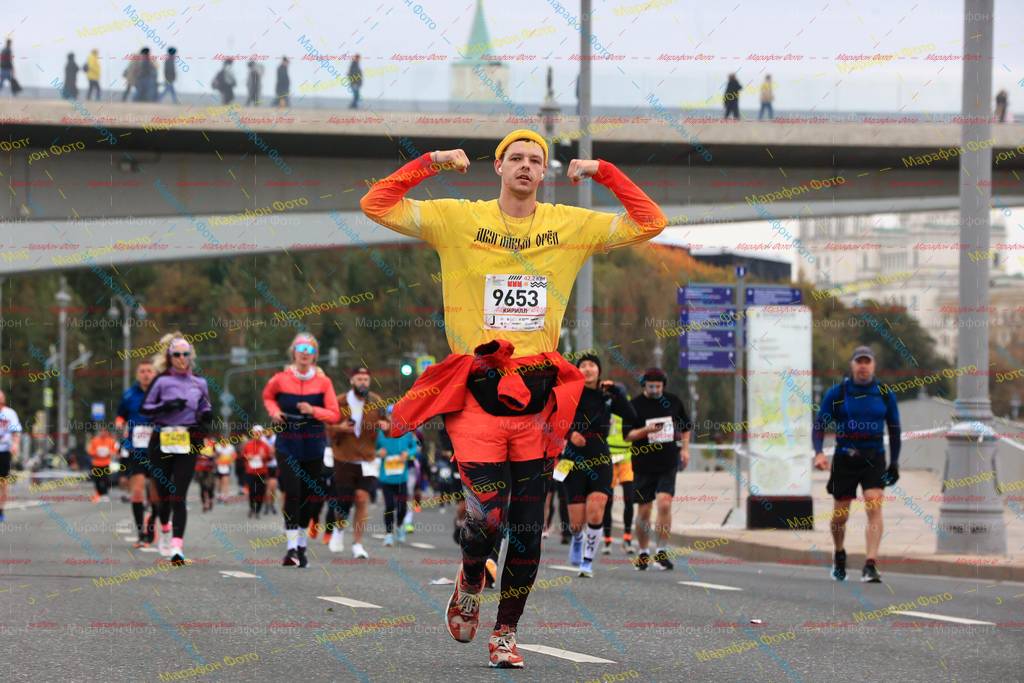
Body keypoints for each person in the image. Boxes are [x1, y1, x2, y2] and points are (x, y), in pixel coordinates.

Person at [360, 128, 666, 668]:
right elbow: (375, 204)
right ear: (498, 167)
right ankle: (470, 576)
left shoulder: (569, 225)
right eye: (516, 158)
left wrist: (604, 173)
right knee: (486, 520)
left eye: (535, 160)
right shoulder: (458, 218)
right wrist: (432, 161)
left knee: (526, 530)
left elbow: (650, 222)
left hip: (537, 401)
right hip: (478, 394)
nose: (526, 165)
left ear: (545, 172)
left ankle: (505, 633)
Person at [813, 346, 901, 583]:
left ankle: (870, 564)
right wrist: (819, 452)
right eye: (859, 361)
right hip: (845, 457)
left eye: (867, 361)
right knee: (840, 516)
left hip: (874, 456)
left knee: (874, 503)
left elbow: (895, 429)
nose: (863, 366)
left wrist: (894, 463)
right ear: (852, 365)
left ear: (873, 365)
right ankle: (839, 553)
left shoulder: (884, 393)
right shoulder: (838, 393)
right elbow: (820, 425)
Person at [262, 333, 341, 568]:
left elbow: (334, 414)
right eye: (301, 348)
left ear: (315, 355)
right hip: (288, 440)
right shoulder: (280, 379)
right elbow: (268, 397)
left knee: (309, 496)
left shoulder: (324, 383)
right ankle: (291, 548)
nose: (305, 353)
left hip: (313, 442)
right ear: (294, 353)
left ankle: (302, 544)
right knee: (293, 491)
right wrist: (274, 412)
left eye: (310, 349)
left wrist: (313, 410)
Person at [560, 354, 638, 578]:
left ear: (599, 370)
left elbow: (632, 416)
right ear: (577, 371)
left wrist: (618, 393)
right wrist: (570, 434)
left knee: (596, 512)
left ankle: (587, 561)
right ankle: (577, 539)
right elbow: (553, 419)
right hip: (573, 459)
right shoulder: (569, 393)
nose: (587, 369)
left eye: (592, 365)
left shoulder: (607, 395)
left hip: (600, 459)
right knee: (576, 523)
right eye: (583, 365)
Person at [141, 335, 213, 566]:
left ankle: (177, 546)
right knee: (163, 495)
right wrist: (166, 406)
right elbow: (145, 408)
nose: (182, 358)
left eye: (185, 354)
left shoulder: (199, 382)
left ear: (191, 356)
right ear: (170, 357)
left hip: (187, 439)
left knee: (178, 494)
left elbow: (205, 405)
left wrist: (206, 416)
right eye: (177, 355)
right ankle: (164, 528)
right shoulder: (162, 381)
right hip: (162, 439)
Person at [625, 368, 691, 571]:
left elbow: (686, 427)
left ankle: (661, 551)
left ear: (664, 385)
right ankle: (643, 552)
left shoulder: (673, 401)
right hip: (643, 464)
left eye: (658, 387)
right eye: (651, 386)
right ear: (644, 385)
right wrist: (646, 431)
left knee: (664, 503)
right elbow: (627, 435)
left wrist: (685, 450)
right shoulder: (634, 405)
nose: (655, 390)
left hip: (667, 461)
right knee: (644, 510)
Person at [326, 367, 387, 559]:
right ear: (352, 381)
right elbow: (326, 427)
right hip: (344, 457)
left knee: (361, 498)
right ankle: (338, 529)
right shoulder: (339, 401)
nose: (363, 383)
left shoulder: (376, 401)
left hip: (367, 458)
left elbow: (389, 425)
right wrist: (340, 428)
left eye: (366, 380)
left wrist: (386, 426)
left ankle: (357, 544)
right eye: (359, 379)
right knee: (344, 501)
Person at [115, 360, 157, 544]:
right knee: (137, 492)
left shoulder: (162, 393)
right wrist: (119, 424)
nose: (146, 374)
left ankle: (152, 522)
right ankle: (141, 532)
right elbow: (120, 415)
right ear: (137, 375)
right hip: (136, 449)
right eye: (142, 371)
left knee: (156, 495)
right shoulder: (129, 395)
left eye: (149, 371)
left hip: (158, 449)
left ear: (155, 374)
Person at [376, 408, 419, 546]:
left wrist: (408, 453)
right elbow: (371, 448)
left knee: (402, 507)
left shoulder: (406, 433)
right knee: (389, 506)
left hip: (401, 478)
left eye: (396, 415)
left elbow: (416, 447)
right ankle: (389, 534)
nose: (393, 418)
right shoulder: (380, 434)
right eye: (391, 415)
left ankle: (400, 526)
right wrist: (378, 452)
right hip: (386, 478)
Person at [602, 411, 636, 555]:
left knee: (629, 499)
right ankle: (607, 540)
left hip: (626, 459)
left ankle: (627, 538)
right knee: (608, 501)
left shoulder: (630, 408)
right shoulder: (607, 407)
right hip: (609, 458)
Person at [0, 390, 22, 522]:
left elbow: (16, 431)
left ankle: (1, 510)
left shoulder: (10, 413)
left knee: (3, 483)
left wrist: (15, 444)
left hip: (4, 451)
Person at [242, 426, 272, 518]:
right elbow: (243, 456)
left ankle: (258, 510)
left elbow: (270, 458)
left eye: (259, 433)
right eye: (255, 433)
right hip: (250, 472)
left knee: (261, 491)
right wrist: (248, 457)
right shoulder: (248, 444)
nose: (257, 434)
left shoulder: (265, 445)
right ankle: (252, 508)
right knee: (252, 491)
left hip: (262, 472)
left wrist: (264, 456)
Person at [87, 429, 118, 502]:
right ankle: (99, 494)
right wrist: (96, 452)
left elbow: (115, 450)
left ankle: (105, 494)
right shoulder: (94, 440)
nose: (103, 433)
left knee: (105, 479)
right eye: (101, 431)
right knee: (97, 480)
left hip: (106, 463)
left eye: (105, 431)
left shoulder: (111, 441)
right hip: (96, 463)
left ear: (107, 432)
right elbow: (90, 451)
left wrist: (110, 452)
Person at [195, 437, 217, 512]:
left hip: (210, 469)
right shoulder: (197, 443)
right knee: (202, 487)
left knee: (210, 487)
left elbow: (216, 454)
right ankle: (205, 504)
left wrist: (210, 455)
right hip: (200, 469)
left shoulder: (212, 443)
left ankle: (210, 499)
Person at [215, 438, 236, 503]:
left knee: (225, 482)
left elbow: (234, 456)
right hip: (218, 466)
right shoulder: (217, 447)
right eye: (222, 443)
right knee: (218, 483)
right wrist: (216, 460)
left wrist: (230, 461)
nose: (223, 444)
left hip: (226, 466)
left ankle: (225, 497)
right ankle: (219, 495)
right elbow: (215, 456)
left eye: (224, 443)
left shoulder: (230, 447)